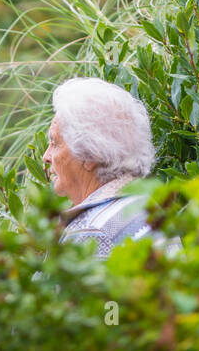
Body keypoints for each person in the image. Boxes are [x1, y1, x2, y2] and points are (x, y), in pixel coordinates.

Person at [42, 77, 179, 257]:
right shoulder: (150, 208)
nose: (46, 156)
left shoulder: (91, 231)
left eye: (55, 143)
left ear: (91, 155)